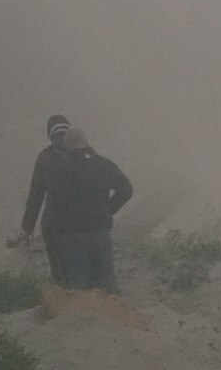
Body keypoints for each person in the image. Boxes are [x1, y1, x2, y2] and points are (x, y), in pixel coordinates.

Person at [50, 129, 132, 293]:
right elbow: (126, 189)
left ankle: (84, 315)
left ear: (67, 146)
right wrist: (107, 210)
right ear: (86, 142)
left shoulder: (62, 170)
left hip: (73, 234)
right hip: (101, 229)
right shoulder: (104, 164)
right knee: (106, 281)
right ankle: (113, 314)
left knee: (79, 285)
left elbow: (55, 203)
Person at [13, 114, 73, 282]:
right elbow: (36, 194)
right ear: (50, 137)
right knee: (60, 271)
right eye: (57, 135)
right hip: (54, 223)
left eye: (64, 134)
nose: (61, 139)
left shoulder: (83, 153)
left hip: (80, 223)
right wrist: (27, 227)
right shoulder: (44, 159)